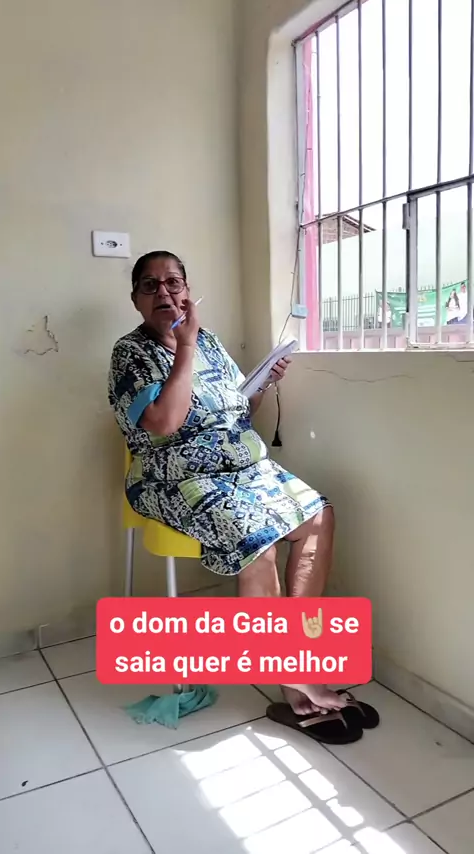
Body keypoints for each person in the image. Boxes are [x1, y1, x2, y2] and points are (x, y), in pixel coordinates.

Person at [108, 250, 344, 716]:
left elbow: (238, 409)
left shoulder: (210, 342)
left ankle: (295, 652)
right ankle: (291, 672)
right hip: (172, 476)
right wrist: (185, 347)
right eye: (150, 285)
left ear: (187, 291)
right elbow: (165, 423)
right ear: (136, 299)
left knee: (319, 515)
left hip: (244, 469)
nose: (164, 292)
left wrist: (263, 383)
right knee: (258, 539)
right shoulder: (130, 353)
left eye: (174, 282)